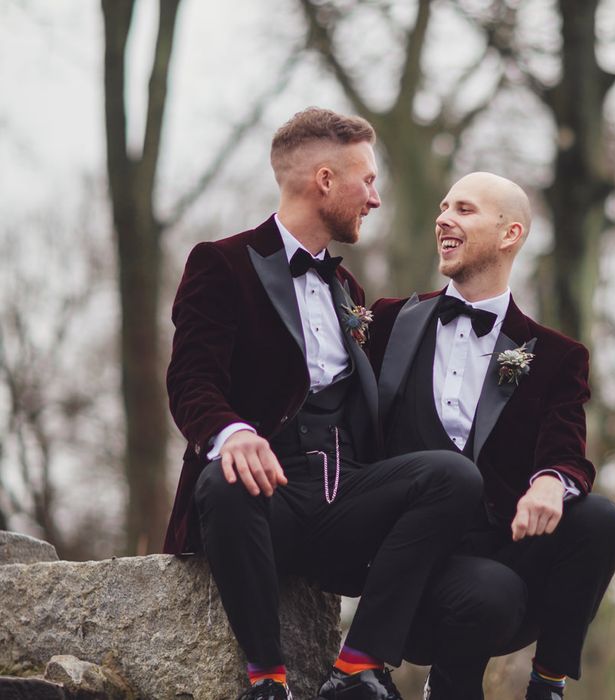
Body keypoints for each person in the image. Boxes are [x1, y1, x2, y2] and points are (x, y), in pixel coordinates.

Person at [163, 108, 486, 700]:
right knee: (223, 481)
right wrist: (231, 433)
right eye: (367, 180)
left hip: (345, 501)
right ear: (325, 180)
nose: (376, 198)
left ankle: (358, 667)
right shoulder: (222, 263)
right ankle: (267, 679)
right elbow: (190, 378)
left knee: (451, 478)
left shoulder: (349, 292)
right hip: (264, 501)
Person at [368, 172, 615, 700]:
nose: (443, 218)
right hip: (409, 566)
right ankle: (446, 685)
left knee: (600, 518)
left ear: (509, 234)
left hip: (507, 555)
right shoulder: (389, 322)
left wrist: (552, 481)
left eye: (463, 209)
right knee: (491, 591)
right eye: (442, 207)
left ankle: (548, 683)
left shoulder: (556, 356)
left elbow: (567, 452)